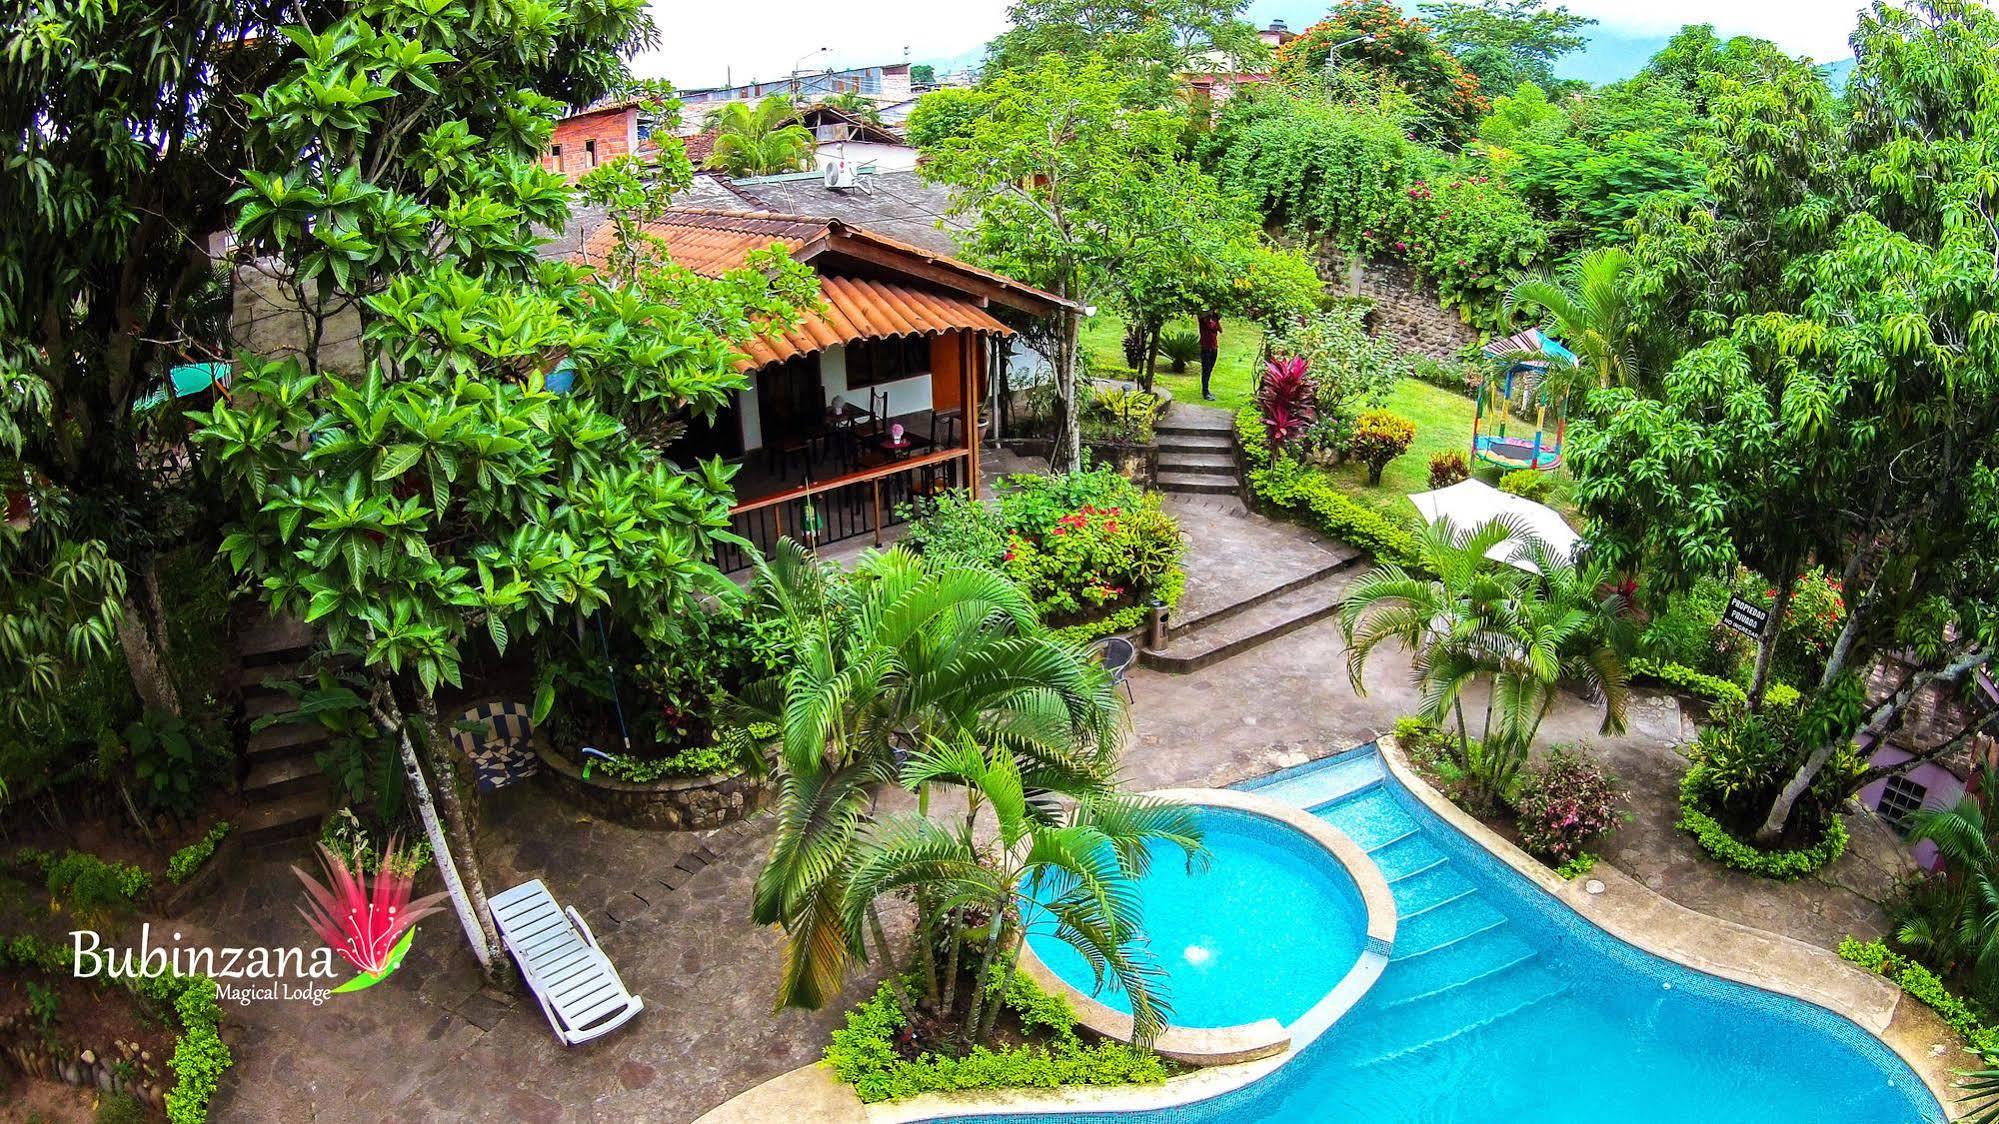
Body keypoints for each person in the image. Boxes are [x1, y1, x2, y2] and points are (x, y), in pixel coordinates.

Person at [1197, 312, 1222, 401]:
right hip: (1206, 348)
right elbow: (1201, 316)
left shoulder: (1213, 320)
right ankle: (1205, 392)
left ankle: (1206, 389)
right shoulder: (1203, 321)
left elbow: (1220, 330)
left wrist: (1216, 319)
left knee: (1209, 369)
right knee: (1206, 370)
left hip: (1214, 348)